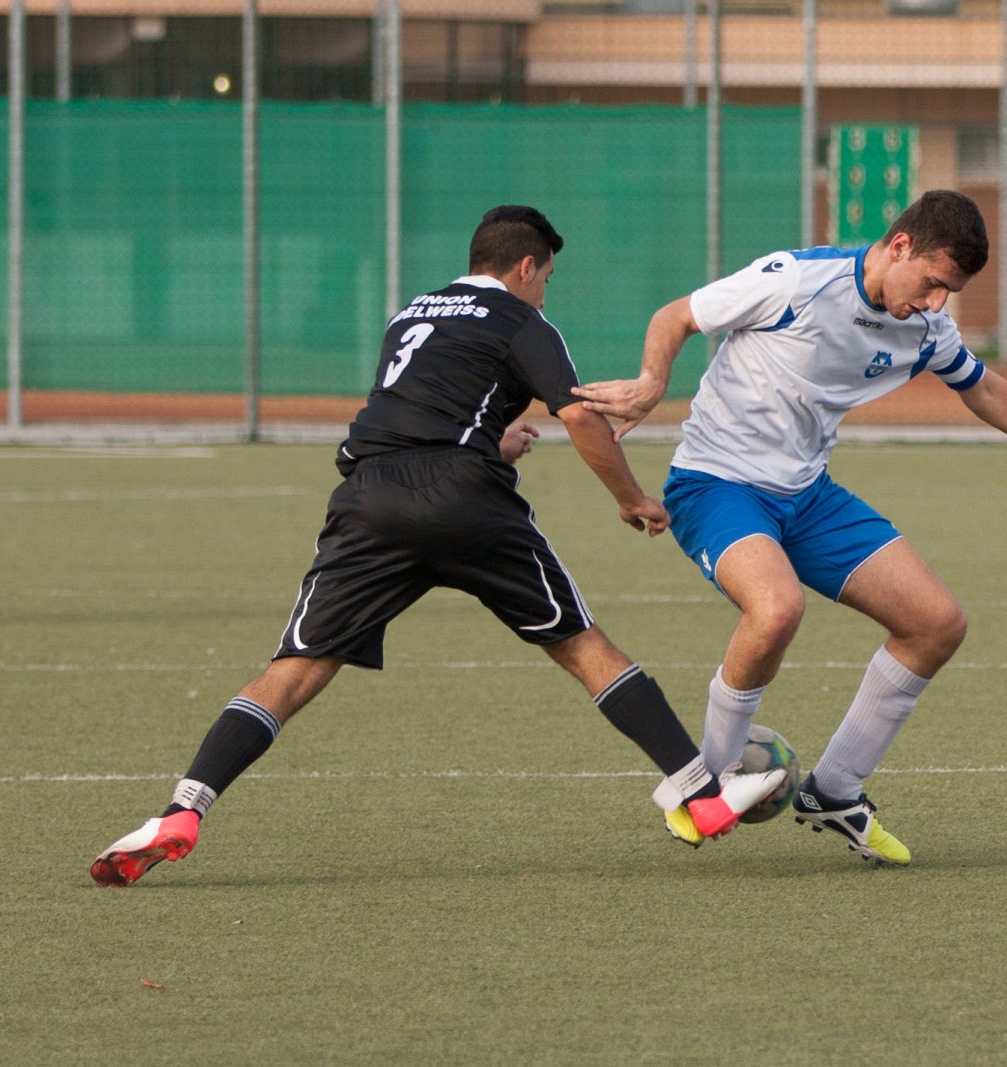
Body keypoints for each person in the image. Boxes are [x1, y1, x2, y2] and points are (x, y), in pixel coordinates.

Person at [90, 205, 782, 887]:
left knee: (294, 669)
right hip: (464, 501)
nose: (546, 294)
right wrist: (631, 498)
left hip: (369, 498)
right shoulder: (522, 320)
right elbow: (577, 415)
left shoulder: (410, 314)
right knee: (583, 647)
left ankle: (181, 811)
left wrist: (492, 440)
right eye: (546, 278)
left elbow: (422, 406)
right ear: (525, 266)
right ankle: (700, 796)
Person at [572, 190, 1007, 866]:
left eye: (950, 292)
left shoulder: (926, 328)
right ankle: (707, 784)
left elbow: (985, 388)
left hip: (808, 496)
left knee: (937, 623)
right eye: (932, 283)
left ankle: (835, 789)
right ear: (899, 246)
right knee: (776, 608)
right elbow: (677, 316)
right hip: (716, 484)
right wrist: (651, 382)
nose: (936, 303)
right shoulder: (796, 280)